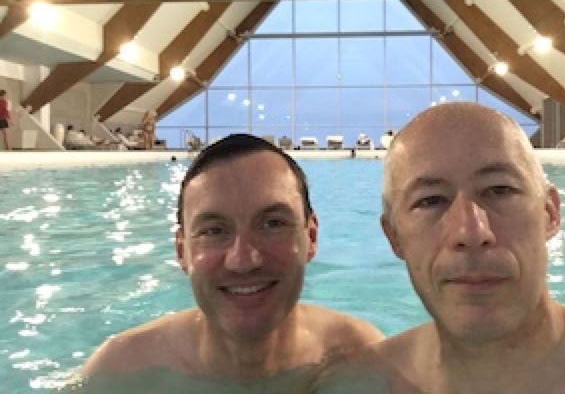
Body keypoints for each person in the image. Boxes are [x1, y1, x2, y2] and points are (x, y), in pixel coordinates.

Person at [314, 102, 565, 393]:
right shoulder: (357, 385)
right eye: (430, 201)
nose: (471, 232)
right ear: (394, 237)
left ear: (549, 213)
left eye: (499, 190)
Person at [78, 134, 384, 392]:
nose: (243, 261)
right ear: (182, 251)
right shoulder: (119, 374)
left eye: (273, 224)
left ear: (311, 237)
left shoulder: (361, 360)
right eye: (214, 231)